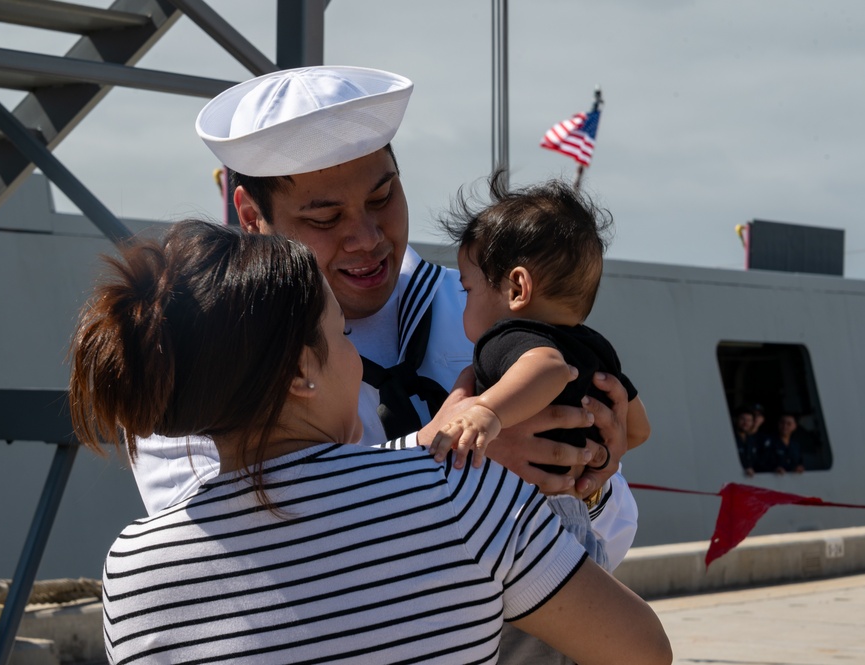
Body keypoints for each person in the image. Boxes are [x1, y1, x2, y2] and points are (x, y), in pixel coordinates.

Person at [134, 66, 644, 662]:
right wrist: (448, 467)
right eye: (324, 219)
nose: (367, 237)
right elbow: (229, 554)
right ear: (250, 215)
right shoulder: (206, 355)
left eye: (383, 197)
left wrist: (589, 479)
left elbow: (615, 532)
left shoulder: (491, 307)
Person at [69, 220, 672, 664]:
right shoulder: (461, 492)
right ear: (303, 372)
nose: (358, 358)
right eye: (342, 333)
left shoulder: (131, 569)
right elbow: (643, 650)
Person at [428, 174, 650, 476]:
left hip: (517, 505)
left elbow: (550, 368)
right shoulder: (597, 347)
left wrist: (486, 411)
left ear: (517, 289)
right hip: (573, 504)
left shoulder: (508, 337)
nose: (463, 301)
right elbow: (639, 431)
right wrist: (604, 451)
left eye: (466, 289)